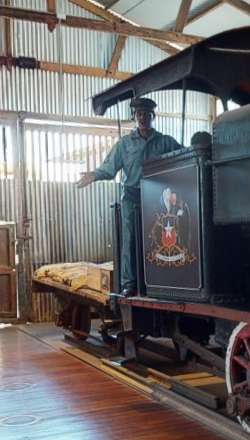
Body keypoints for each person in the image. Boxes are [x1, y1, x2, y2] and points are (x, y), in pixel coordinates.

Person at [75, 97, 183, 295]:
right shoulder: (125, 144)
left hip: (158, 199)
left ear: (153, 116)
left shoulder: (165, 141)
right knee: (130, 237)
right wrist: (93, 175)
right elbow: (109, 168)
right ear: (134, 117)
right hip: (132, 196)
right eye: (139, 114)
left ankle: (161, 279)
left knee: (159, 238)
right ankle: (129, 283)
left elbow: (185, 156)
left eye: (147, 114)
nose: (143, 117)